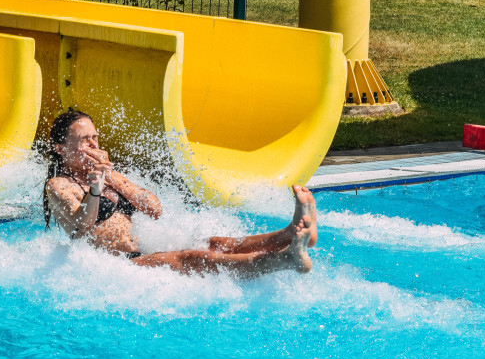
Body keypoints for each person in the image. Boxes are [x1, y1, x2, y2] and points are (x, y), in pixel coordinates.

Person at [43, 111, 316, 275]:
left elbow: (154, 209)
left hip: (147, 248)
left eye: (95, 137)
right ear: (60, 148)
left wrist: (111, 176)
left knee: (215, 243)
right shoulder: (59, 185)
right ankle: (283, 259)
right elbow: (81, 227)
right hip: (120, 263)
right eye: (84, 140)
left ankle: (291, 233)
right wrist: (95, 187)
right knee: (192, 259)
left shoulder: (108, 174)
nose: (93, 144)